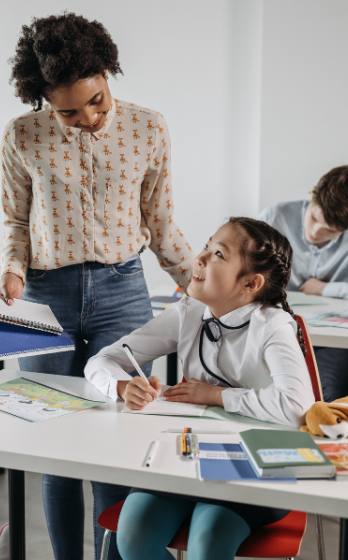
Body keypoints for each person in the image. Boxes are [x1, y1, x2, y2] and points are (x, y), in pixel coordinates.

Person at [0, 13, 195, 560]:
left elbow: (161, 221)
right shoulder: (22, 135)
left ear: (109, 74)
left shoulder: (149, 127)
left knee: (115, 438)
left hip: (123, 291)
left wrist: (200, 287)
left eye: (98, 101)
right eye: (68, 111)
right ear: (43, 99)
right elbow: (15, 221)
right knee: (56, 444)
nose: (88, 118)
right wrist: (13, 269)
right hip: (44, 297)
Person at [84, 217, 313, 560]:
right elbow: (101, 360)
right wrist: (120, 386)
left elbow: (296, 406)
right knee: (133, 536)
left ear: (250, 283)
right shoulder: (188, 312)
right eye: (206, 246)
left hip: (256, 465)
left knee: (208, 543)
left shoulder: (273, 325)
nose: (200, 258)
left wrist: (216, 395)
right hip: (187, 457)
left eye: (219, 254)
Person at [258, 165, 348, 402]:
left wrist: (326, 288)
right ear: (313, 194)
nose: (316, 232)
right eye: (314, 218)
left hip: (332, 343)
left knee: (329, 394)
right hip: (275, 331)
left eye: (330, 230)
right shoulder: (274, 218)